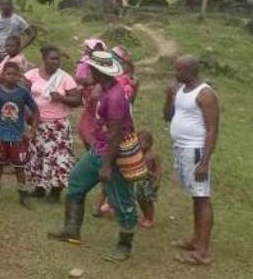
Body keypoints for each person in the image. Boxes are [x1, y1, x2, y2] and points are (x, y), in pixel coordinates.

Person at [49, 50, 139, 262]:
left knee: (121, 198)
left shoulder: (115, 96)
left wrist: (107, 165)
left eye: (91, 68)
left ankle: (124, 245)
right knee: (76, 181)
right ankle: (71, 229)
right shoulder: (104, 88)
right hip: (98, 148)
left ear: (99, 71)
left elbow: (116, 133)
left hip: (112, 153)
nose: (87, 70)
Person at [163, 55, 220, 265]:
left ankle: (202, 252)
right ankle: (196, 239)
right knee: (195, 196)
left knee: (202, 196)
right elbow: (167, 117)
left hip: (195, 150)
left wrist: (204, 161)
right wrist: (169, 98)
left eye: (179, 70)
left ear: (191, 71)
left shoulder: (205, 94)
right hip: (181, 149)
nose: (175, 74)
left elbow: (213, 130)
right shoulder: (180, 91)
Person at [24, 46, 81, 201]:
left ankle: (55, 193)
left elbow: (77, 100)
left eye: (58, 59)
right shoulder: (31, 75)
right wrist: (27, 111)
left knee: (58, 159)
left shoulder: (65, 78)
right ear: (44, 59)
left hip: (58, 126)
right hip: (38, 124)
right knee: (39, 156)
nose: (56, 62)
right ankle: (39, 188)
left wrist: (62, 98)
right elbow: (22, 94)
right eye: (52, 58)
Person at [0, 61, 38, 206]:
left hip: (18, 137)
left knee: (20, 168)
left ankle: (23, 195)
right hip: (1, 136)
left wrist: (32, 130)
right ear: (2, 75)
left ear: (19, 76)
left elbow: (35, 110)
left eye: (15, 74)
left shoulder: (23, 92)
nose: (11, 77)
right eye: (8, 74)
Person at [0, 0, 35, 65]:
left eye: (8, 4)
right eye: (3, 4)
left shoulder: (18, 19)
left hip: (12, 55)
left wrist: (21, 47)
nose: (6, 6)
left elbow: (32, 34)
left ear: (11, 5)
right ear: (0, 5)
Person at [132, 131, 160, 228]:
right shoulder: (139, 154)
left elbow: (158, 170)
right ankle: (145, 216)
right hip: (140, 181)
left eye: (140, 143)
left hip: (149, 181)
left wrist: (157, 181)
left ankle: (150, 218)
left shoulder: (153, 155)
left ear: (148, 143)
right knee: (140, 199)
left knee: (148, 201)